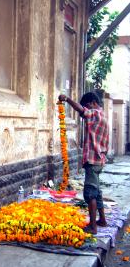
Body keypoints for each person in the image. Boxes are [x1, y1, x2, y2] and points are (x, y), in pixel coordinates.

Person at [58, 92, 109, 234]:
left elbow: (82, 111)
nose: (86, 109)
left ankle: (93, 227)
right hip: (99, 160)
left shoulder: (95, 114)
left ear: (93, 103)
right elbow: (83, 113)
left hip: (93, 161)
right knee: (97, 192)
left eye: (87, 105)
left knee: (90, 193)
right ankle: (102, 220)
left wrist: (67, 99)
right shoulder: (102, 116)